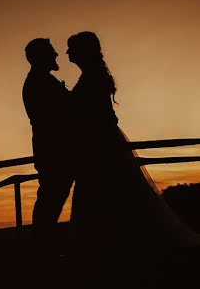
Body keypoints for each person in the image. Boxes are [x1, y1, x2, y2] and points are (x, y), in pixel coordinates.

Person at [66, 31, 200, 253]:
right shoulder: (93, 74)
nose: (68, 52)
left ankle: (110, 245)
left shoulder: (92, 76)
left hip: (100, 144)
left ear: (83, 51)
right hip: (99, 141)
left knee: (103, 190)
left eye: (72, 48)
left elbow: (100, 114)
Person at [22, 37, 75, 255]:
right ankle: (41, 251)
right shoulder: (38, 83)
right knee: (50, 201)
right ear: (40, 57)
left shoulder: (43, 80)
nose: (56, 55)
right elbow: (58, 118)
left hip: (56, 152)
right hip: (54, 153)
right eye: (51, 52)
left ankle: (42, 249)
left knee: (51, 200)